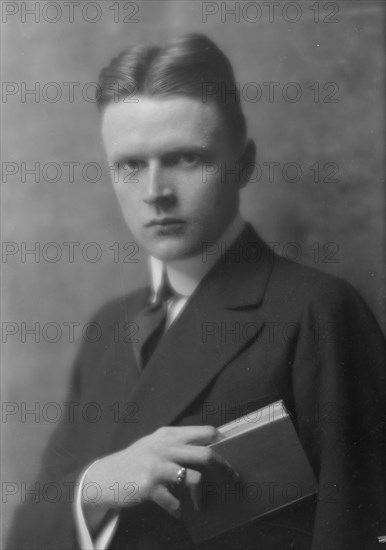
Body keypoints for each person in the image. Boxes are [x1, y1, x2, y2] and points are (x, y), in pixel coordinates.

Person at [8, 33, 385, 550]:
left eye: (185, 159)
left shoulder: (317, 312)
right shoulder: (108, 327)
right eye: (130, 165)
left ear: (244, 162)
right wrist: (100, 484)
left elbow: (357, 529)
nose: (155, 192)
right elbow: (26, 534)